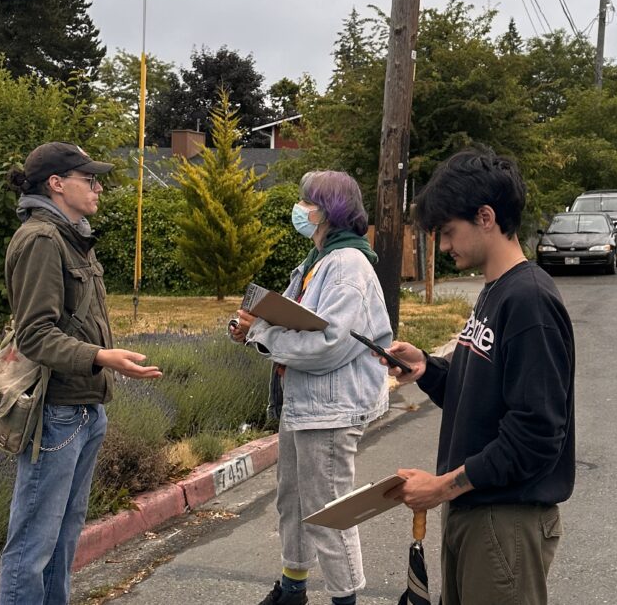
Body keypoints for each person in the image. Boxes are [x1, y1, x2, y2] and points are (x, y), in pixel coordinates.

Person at [384, 147, 576, 605]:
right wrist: (427, 369)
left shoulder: (529, 300)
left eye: (449, 232)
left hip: (504, 522)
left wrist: (441, 487)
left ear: (486, 217)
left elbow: (535, 437)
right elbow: (478, 398)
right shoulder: (495, 291)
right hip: (475, 512)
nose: (445, 246)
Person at [0, 142, 162, 605]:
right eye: (88, 178)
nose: (99, 186)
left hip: (84, 409)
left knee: (64, 536)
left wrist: (100, 363)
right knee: (32, 544)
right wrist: (101, 357)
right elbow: (34, 335)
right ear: (56, 183)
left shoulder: (71, 235)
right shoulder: (41, 240)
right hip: (56, 414)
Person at [229, 170, 392, 605]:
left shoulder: (347, 266)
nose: (301, 209)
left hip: (332, 409)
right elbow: (280, 314)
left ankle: (344, 599)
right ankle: (293, 588)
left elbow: (329, 345)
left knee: (329, 512)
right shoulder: (316, 260)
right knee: (294, 502)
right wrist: (250, 325)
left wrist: (262, 336)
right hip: (305, 404)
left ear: (330, 211)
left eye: (308, 202)